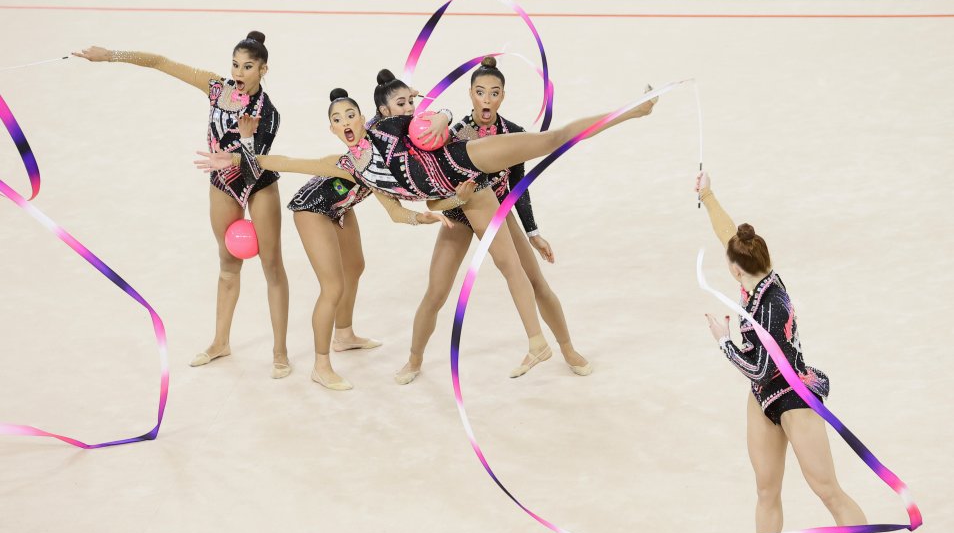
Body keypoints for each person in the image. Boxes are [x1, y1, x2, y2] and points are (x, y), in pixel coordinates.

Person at [196, 82, 656, 375]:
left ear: (364, 117)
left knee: (549, 140)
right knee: (437, 290)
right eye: (337, 120)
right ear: (333, 130)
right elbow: (284, 161)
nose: (346, 123)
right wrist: (236, 155)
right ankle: (415, 360)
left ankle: (632, 109)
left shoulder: (388, 128)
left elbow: (432, 116)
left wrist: (439, 117)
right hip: (456, 192)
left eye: (351, 115)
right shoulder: (347, 166)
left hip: (464, 158)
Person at [697, 171, 893, 533]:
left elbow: (760, 368)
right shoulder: (754, 278)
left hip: (792, 396)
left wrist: (724, 340)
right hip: (762, 398)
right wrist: (708, 194)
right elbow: (729, 235)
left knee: (827, 490)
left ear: (736, 270)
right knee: (766, 488)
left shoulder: (771, 306)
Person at [73, 33, 292, 378]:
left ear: (263, 70)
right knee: (227, 263)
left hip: (258, 184)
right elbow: (161, 62)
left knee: (272, 267)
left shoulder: (269, 113)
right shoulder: (217, 89)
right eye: (235, 64)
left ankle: (280, 352)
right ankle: (220, 342)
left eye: (248, 67)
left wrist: (246, 141)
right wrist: (110, 54)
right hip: (222, 183)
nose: (238, 72)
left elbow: (256, 166)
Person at [395, 57, 591, 384]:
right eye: (480, 92)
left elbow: (518, 186)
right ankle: (414, 359)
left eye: (494, 93)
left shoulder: (512, 133)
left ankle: (568, 349)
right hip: (459, 214)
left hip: (496, 212)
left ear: (503, 96)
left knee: (536, 282)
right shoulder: (453, 135)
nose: (486, 99)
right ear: (471, 94)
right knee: (436, 293)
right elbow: (431, 182)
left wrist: (533, 232)